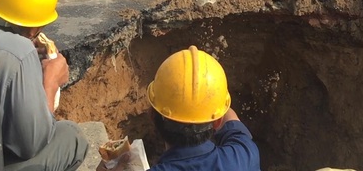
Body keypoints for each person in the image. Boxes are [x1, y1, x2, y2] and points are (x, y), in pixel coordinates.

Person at [97, 46, 260, 171]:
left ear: (152, 115)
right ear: (217, 122)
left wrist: (106, 167)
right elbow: (231, 119)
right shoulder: (244, 155)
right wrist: (206, 94)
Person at [0, 0, 89, 170]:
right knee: (72, 137)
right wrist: (51, 82)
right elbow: (31, 144)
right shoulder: (18, 52)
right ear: (33, 29)